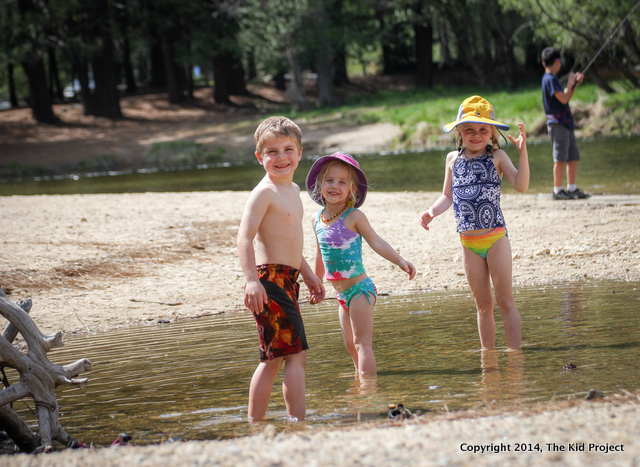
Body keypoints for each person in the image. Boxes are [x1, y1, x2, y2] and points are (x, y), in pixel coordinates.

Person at [419, 96, 529, 351]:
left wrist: (523, 153)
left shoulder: (498, 157)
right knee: (483, 305)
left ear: (491, 131)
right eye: (469, 129)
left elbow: (521, 185)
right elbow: (447, 196)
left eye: (482, 129)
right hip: (468, 243)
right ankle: (488, 356)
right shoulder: (452, 160)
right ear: (459, 131)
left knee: (504, 301)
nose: (476, 135)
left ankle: (515, 355)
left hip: (495, 239)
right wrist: (431, 212)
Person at [237, 116, 325, 422]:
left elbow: (291, 243)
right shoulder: (264, 193)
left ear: (300, 153)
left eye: (288, 149)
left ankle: (256, 423)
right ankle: (297, 423)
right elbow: (244, 238)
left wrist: (310, 275)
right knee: (293, 354)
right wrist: (251, 281)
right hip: (269, 280)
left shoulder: (294, 190)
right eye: (272, 152)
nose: (281, 157)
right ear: (260, 157)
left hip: (287, 279)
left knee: (275, 357)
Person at [306, 152, 416, 377]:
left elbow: (376, 241)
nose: (334, 186)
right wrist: (316, 283)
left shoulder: (353, 216)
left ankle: (367, 390)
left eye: (342, 182)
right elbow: (320, 254)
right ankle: (361, 379)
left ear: (352, 190)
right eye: (329, 180)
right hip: (341, 296)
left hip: (360, 290)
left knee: (361, 343)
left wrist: (400, 260)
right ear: (319, 184)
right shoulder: (316, 219)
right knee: (349, 345)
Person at [541, 46, 591, 200]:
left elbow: (566, 97)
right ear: (557, 62)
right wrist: (570, 82)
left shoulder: (552, 79)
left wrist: (575, 85)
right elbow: (564, 98)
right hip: (558, 124)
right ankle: (557, 190)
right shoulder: (549, 79)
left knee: (573, 156)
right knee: (560, 158)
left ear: (544, 63)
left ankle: (572, 188)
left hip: (565, 123)